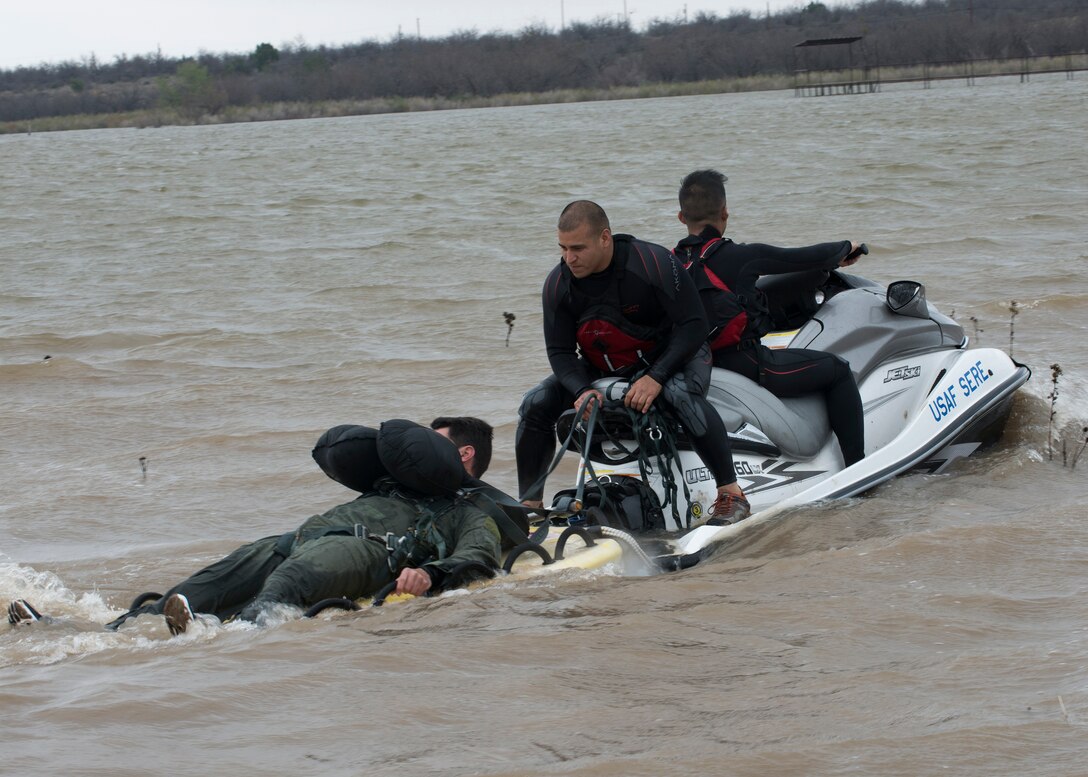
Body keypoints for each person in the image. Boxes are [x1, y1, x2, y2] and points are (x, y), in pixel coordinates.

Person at [8, 418, 502, 635]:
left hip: (369, 554)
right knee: (194, 589)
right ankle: (85, 630)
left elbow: (478, 559)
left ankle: (224, 642)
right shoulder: (383, 483)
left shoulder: (467, 512)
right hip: (293, 540)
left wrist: (430, 576)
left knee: (285, 587)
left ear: (460, 456)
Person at [515, 200, 750, 527]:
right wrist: (581, 390)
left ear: (605, 238)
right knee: (535, 403)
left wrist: (656, 377)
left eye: (578, 248)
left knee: (681, 396)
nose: (569, 258)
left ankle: (731, 493)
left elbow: (694, 325)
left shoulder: (652, 263)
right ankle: (529, 505)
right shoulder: (559, 284)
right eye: (563, 248)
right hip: (608, 364)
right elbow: (560, 352)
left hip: (674, 355)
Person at [673, 169, 865, 467]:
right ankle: (857, 468)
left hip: (692, 367)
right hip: (744, 364)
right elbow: (802, 257)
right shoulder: (741, 256)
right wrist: (845, 248)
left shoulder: (669, 263)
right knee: (838, 370)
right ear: (725, 213)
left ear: (681, 218)